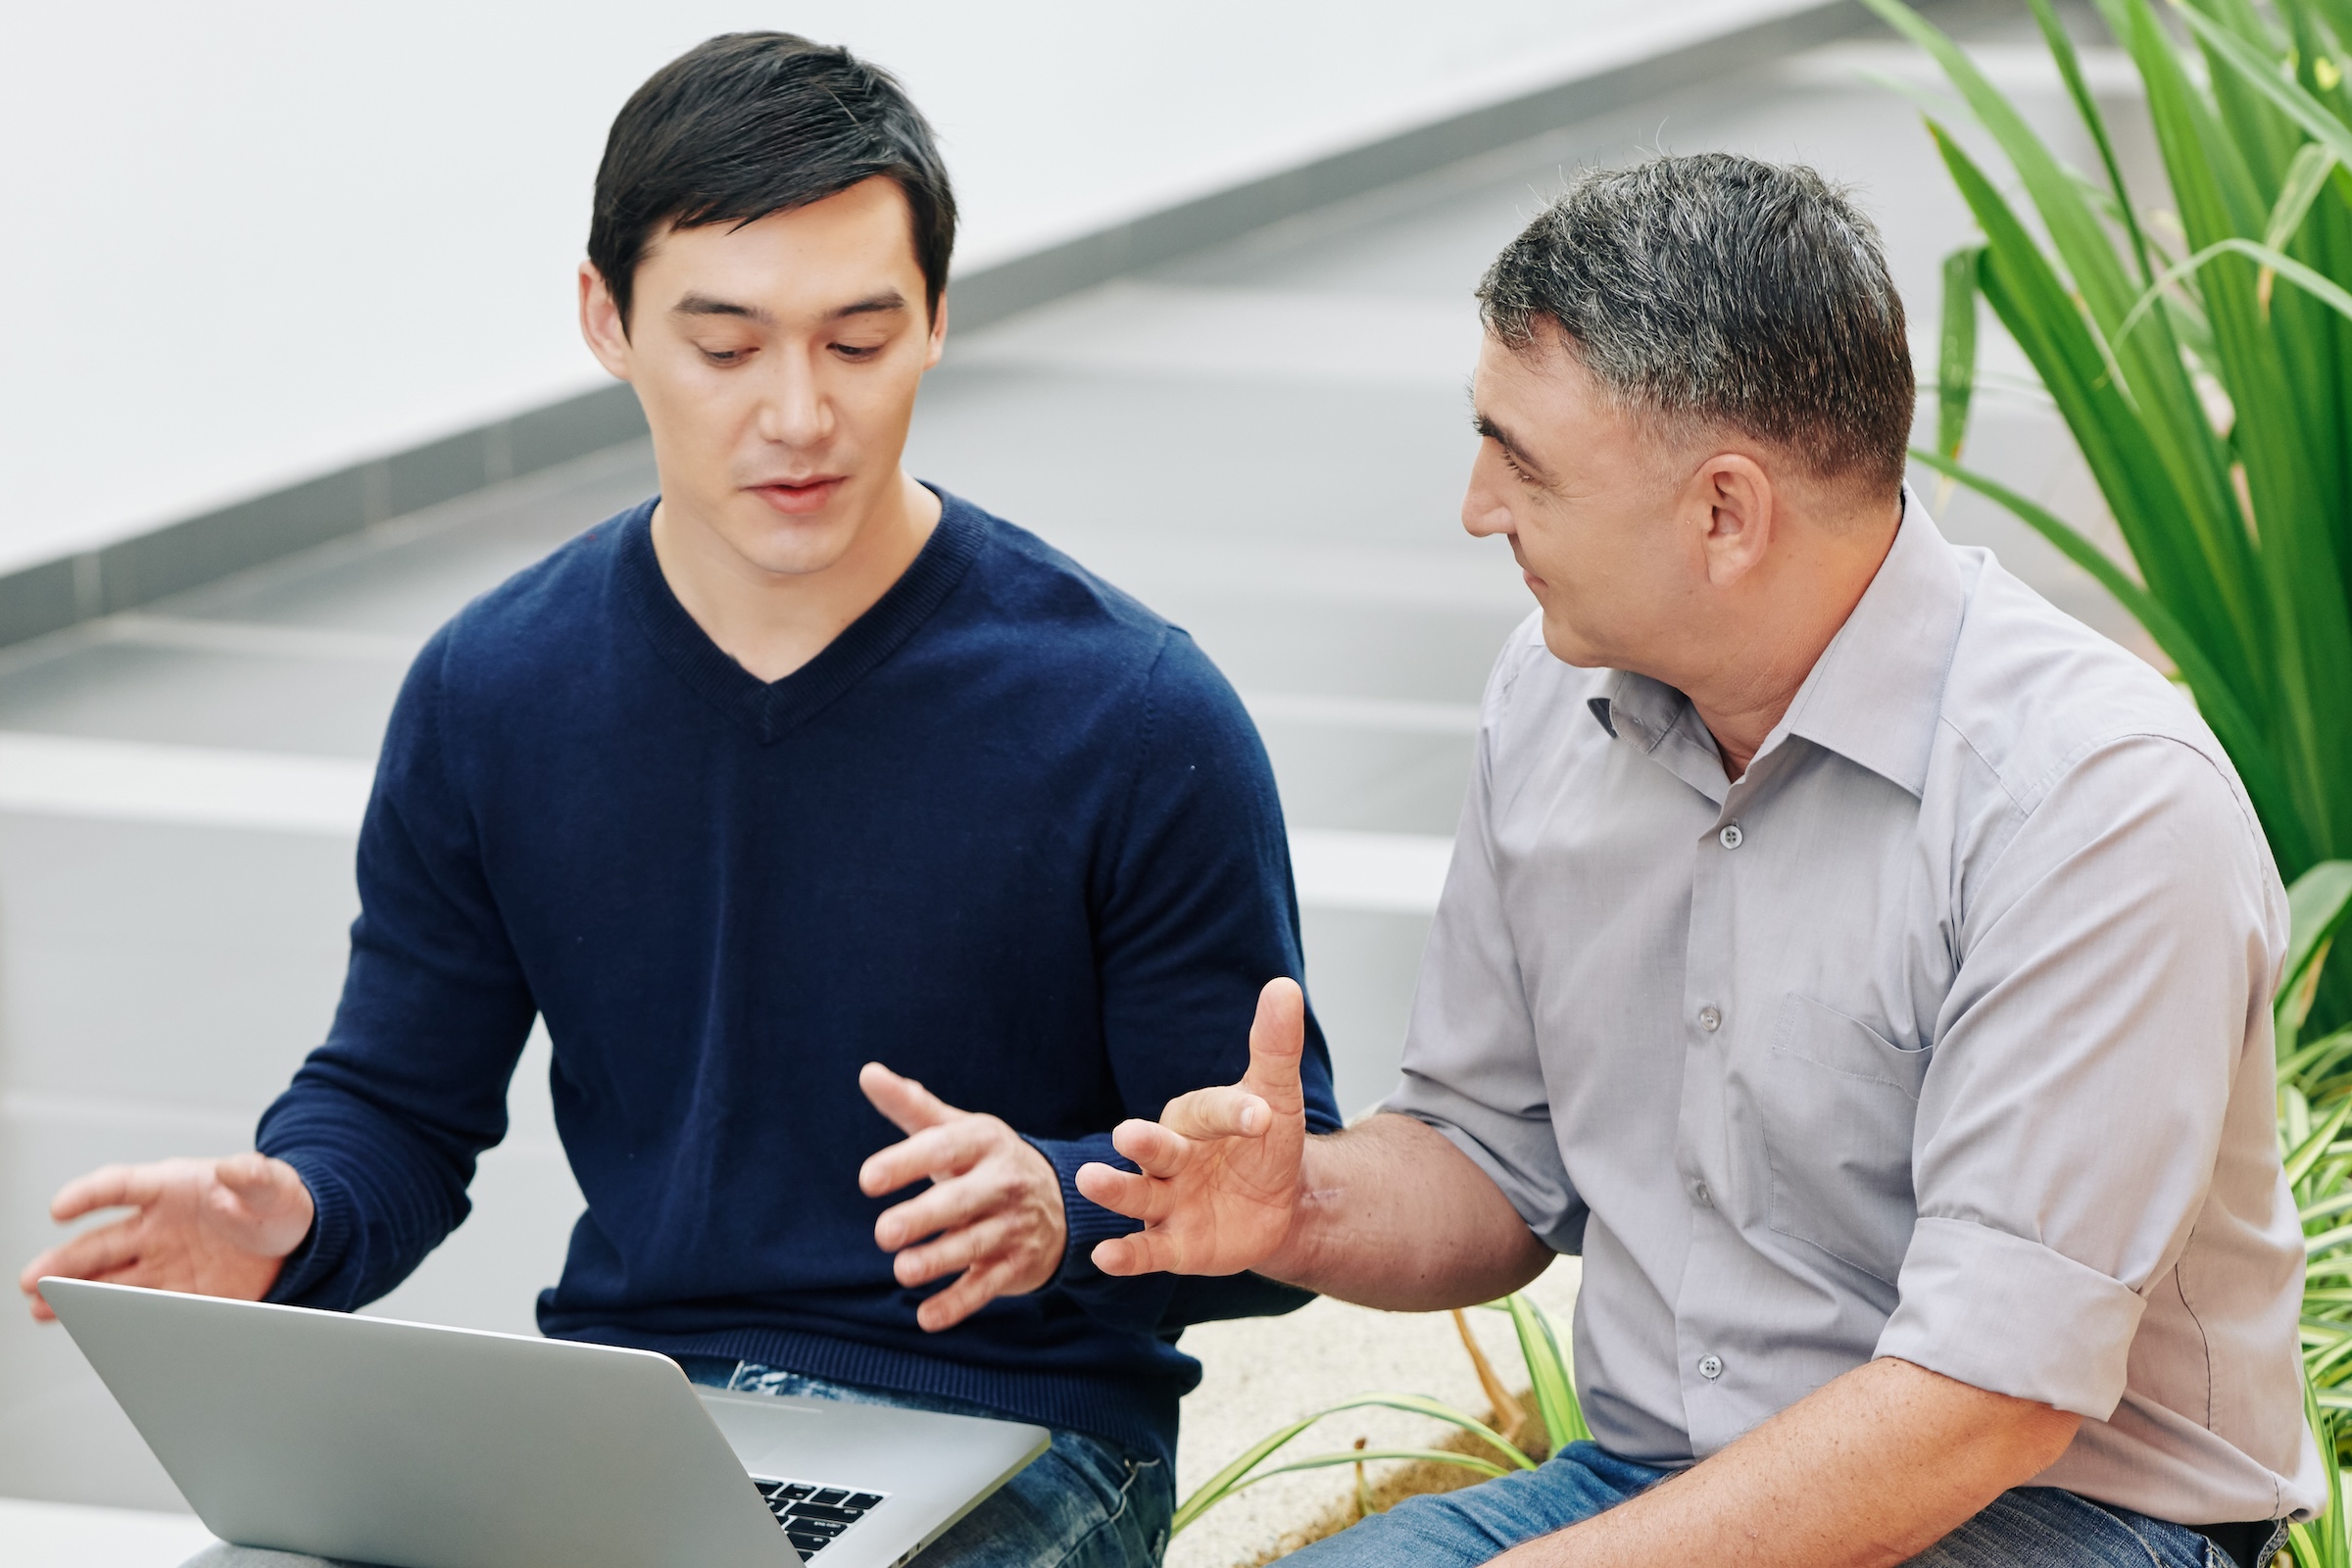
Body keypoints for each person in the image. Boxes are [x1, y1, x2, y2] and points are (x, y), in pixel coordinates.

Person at [20, 32, 1341, 1568]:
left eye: (859, 340)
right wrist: (297, 1219)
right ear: (607, 320)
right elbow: (397, 1104)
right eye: (726, 348)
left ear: (936, 322)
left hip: (1018, 1434)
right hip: (634, 1415)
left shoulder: (1135, 714)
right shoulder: (492, 689)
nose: (797, 413)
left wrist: (1054, 1200)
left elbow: (1266, 1206)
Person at [1076, 153, 2322, 1568]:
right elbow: (1494, 1162)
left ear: (1724, 513)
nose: (1478, 507)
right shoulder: (1550, 696)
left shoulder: (2096, 807)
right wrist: (1306, 1209)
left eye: (1522, 460)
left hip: (2055, 1514)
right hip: (1649, 1480)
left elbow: (1982, 1404)